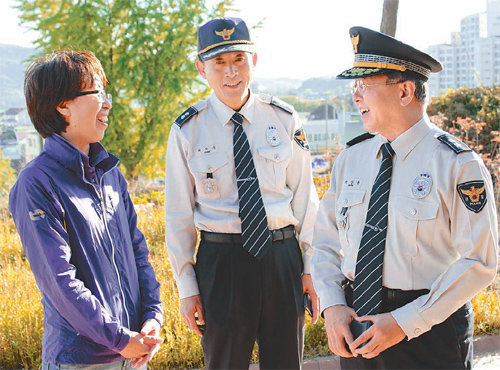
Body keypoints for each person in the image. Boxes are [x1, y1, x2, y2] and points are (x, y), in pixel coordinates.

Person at [311, 27, 498, 369]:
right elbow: (323, 243)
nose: (356, 96)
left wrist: (403, 321)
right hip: (358, 326)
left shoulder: (456, 163)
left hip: (430, 332)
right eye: (355, 87)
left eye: (365, 85)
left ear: (405, 91)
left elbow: (480, 262)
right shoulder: (351, 159)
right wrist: (333, 305)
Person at [165, 17, 319, 369]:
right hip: (222, 264)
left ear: (254, 61)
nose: (230, 72)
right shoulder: (188, 129)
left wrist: (312, 267)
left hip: (282, 258)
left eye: (239, 60)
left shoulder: (283, 119)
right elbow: (178, 216)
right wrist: (187, 286)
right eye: (219, 63)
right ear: (201, 68)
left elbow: (307, 200)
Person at [9, 50, 164, 369]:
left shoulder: (110, 174)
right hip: (82, 361)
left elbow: (138, 253)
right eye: (97, 93)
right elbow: (60, 281)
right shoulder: (36, 183)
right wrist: (120, 340)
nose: (107, 103)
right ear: (62, 105)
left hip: (134, 352)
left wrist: (152, 317)